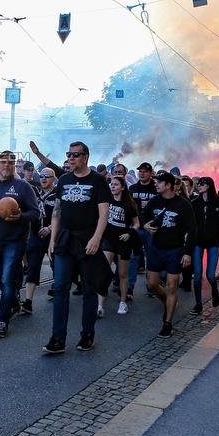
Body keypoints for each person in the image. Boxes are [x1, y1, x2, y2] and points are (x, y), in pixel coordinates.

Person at [44, 141, 112, 354]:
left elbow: (104, 213)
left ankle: (87, 334)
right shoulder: (63, 180)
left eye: (75, 155)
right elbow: (57, 211)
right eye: (69, 154)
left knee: (89, 288)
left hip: (88, 241)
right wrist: (52, 239)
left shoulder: (98, 181)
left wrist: (96, 238)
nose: (71, 158)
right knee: (61, 288)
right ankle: (58, 338)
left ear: (86, 157)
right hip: (65, 240)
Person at [0, 151, 39, 338]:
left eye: (11, 162)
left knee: (7, 278)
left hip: (16, 240)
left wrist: (21, 216)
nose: (7, 165)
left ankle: (2, 320)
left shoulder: (23, 187)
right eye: (3, 162)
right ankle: (13, 301)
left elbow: (35, 213)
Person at [140, 171, 197, 338]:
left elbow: (192, 229)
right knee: (152, 284)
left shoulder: (183, 204)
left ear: (169, 185)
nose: (156, 185)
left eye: (159, 182)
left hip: (175, 250)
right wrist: (145, 226)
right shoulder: (154, 201)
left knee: (172, 286)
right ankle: (169, 303)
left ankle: (167, 323)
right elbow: (143, 216)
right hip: (156, 249)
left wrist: (188, 253)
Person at [101, 175, 140, 315]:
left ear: (123, 187)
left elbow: (136, 223)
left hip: (123, 241)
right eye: (111, 184)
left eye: (116, 184)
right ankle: (100, 305)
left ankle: (123, 302)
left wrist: (129, 233)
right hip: (108, 240)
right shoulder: (107, 201)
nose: (113, 186)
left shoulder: (129, 204)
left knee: (123, 273)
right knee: (104, 271)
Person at [21, 167, 58, 313]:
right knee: (32, 268)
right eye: (41, 176)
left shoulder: (58, 194)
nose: (43, 179)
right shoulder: (34, 192)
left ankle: (59, 287)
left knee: (57, 266)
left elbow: (62, 216)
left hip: (53, 237)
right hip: (36, 236)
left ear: (53, 178)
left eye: (47, 176)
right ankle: (28, 301)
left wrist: (50, 228)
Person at [190, 176, 219, 313]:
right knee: (198, 274)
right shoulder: (194, 203)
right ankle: (198, 304)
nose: (198, 186)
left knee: (211, 275)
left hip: (214, 242)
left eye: (202, 184)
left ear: (209, 186)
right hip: (197, 241)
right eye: (198, 184)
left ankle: (214, 290)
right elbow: (191, 224)